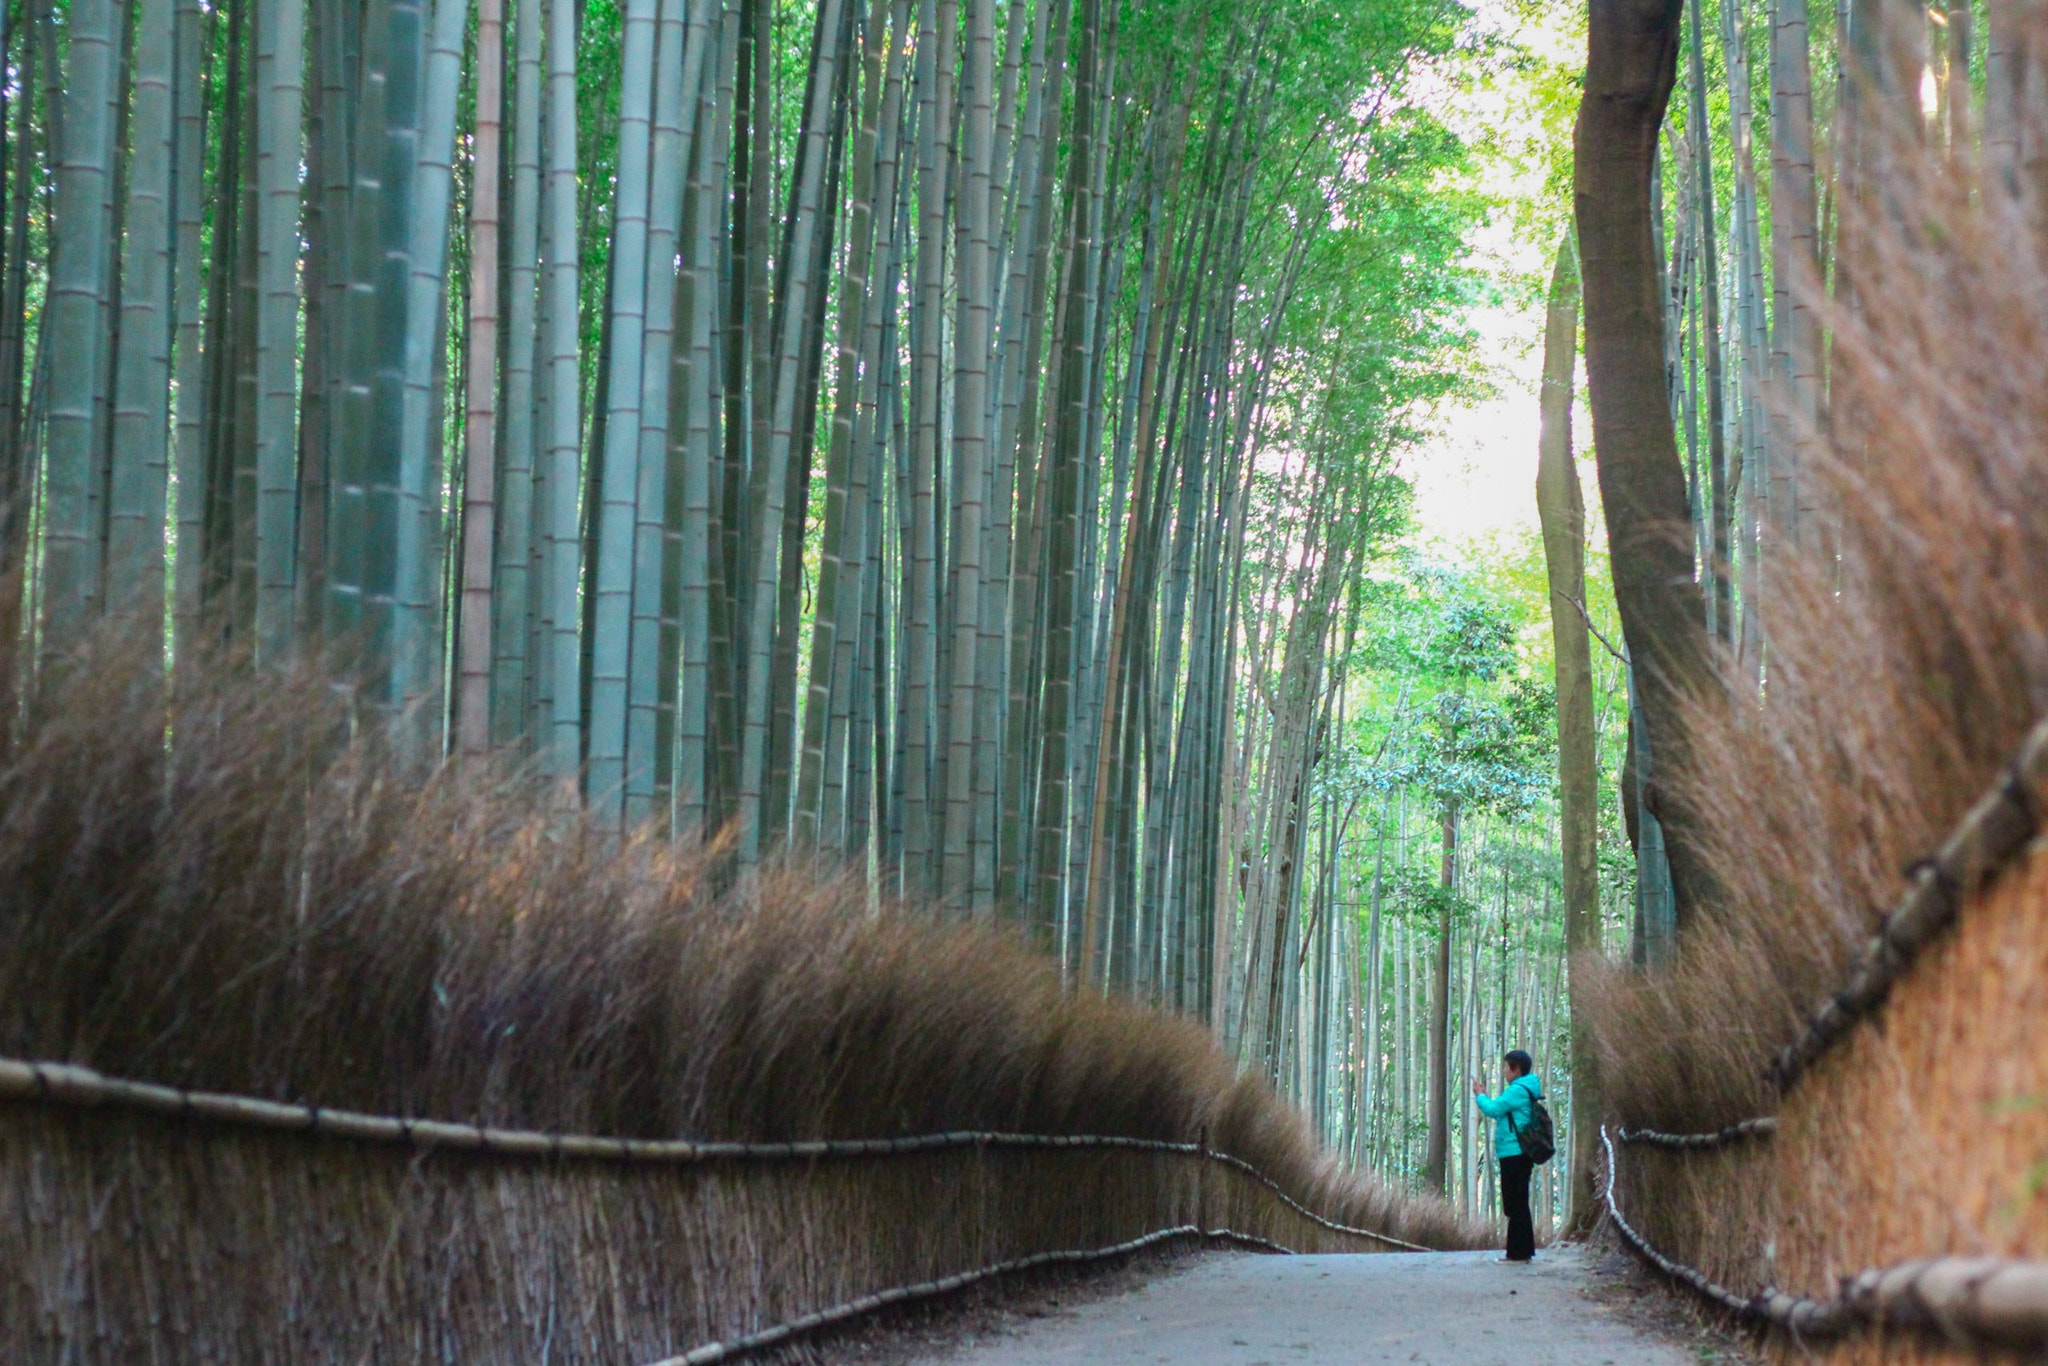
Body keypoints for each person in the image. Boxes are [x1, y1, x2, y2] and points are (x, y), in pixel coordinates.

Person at [1472, 1049, 1542, 1263]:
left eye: (1506, 1067)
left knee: (1515, 1202)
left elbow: (1493, 1109)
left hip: (1515, 1151)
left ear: (1517, 1069)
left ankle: (1518, 1253)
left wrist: (1480, 1095)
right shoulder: (1525, 1087)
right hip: (1520, 1151)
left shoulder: (1518, 1090)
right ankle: (1522, 1251)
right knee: (1518, 1201)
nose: (1503, 1071)